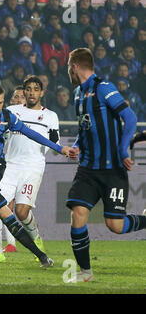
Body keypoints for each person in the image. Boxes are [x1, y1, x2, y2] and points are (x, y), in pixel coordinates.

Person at [0, 84, 71, 267]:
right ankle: (42, 257)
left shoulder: (7, 116)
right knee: (7, 216)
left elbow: (31, 133)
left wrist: (59, 148)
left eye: (1, 102)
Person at [65, 48, 146, 283]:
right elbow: (85, 127)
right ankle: (85, 272)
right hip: (88, 169)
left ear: (75, 66)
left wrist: (123, 150)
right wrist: (78, 145)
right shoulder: (78, 93)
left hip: (112, 170)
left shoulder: (104, 87)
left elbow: (129, 117)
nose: (68, 71)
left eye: (68, 67)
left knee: (115, 225)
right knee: (78, 214)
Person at [0, 77, 60, 263]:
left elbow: (55, 144)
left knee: (21, 211)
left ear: (42, 93)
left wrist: (59, 150)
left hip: (33, 168)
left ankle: (37, 239)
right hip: (9, 165)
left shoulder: (50, 116)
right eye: (28, 89)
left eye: (36, 89)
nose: (32, 92)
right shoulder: (11, 112)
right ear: (24, 92)